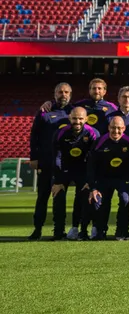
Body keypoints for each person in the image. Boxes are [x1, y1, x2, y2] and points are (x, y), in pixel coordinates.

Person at [28, 81, 72, 240]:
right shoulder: (44, 111)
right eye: (60, 92)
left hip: (64, 164)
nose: (63, 95)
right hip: (46, 162)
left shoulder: (74, 112)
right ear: (55, 94)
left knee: (60, 198)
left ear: (70, 95)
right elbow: (34, 135)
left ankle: (58, 231)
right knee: (42, 197)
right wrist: (34, 157)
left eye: (66, 92)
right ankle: (37, 229)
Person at [50, 106, 98, 240]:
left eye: (81, 119)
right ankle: (58, 231)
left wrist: (90, 181)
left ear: (86, 119)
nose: (77, 121)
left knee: (82, 197)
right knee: (58, 195)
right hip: (64, 169)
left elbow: (93, 159)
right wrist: (58, 181)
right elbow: (56, 158)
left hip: (83, 170)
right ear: (70, 118)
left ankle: (80, 229)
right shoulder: (60, 133)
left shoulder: (92, 133)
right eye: (75, 118)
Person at [87, 115, 129, 240]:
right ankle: (101, 231)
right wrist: (93, 187)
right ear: (108, 127)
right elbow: (91, 165)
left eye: (119, 128)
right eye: (113, 128)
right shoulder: (99, 142)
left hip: (123, 179)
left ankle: (122, 231)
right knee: (99, 201)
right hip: (104, 178)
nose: (116, 131)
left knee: (125, 200)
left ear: (124, 128)